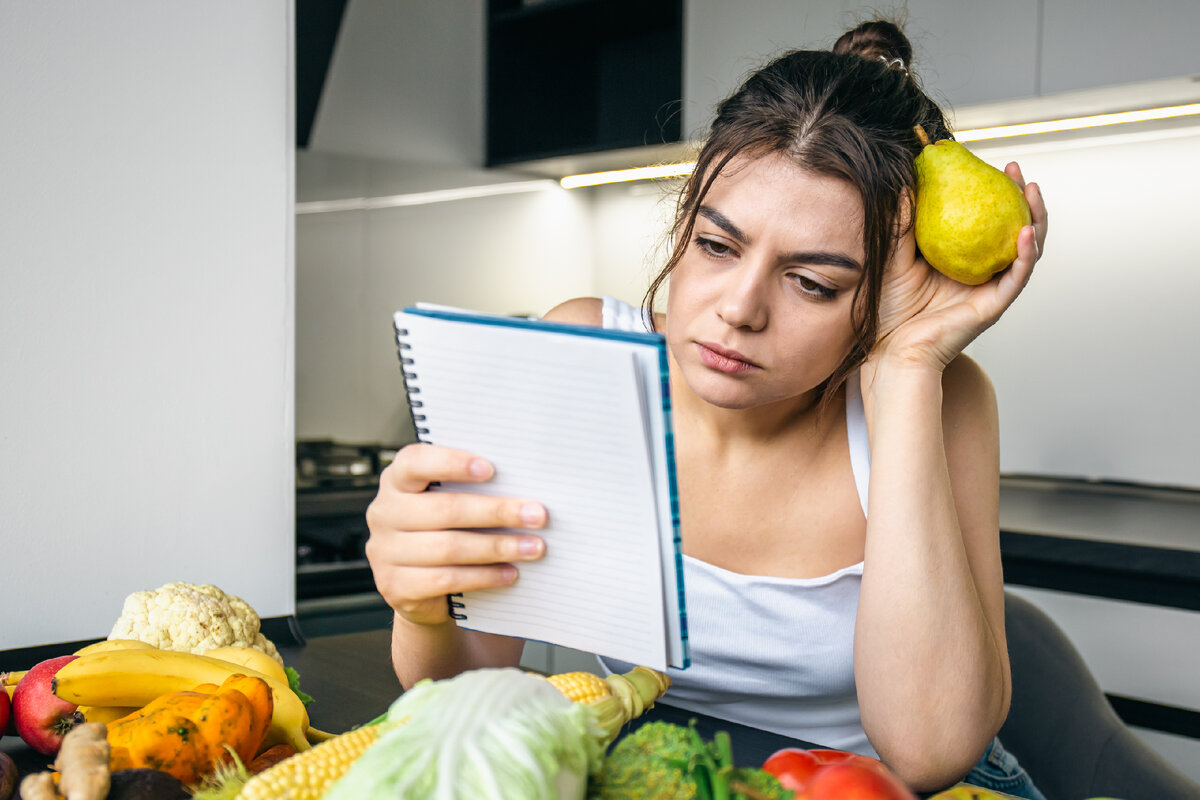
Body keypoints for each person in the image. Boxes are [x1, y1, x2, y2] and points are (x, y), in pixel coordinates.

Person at [365, 19, 1049, 798]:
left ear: (885, 291)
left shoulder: (938, 396)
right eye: (718, 247)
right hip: (665, 778)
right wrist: (422, 607)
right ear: (684, 219)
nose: (740, 310)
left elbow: (929, 754)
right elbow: (468, 686)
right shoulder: (586, 352)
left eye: (813, 283)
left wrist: (906, 368)